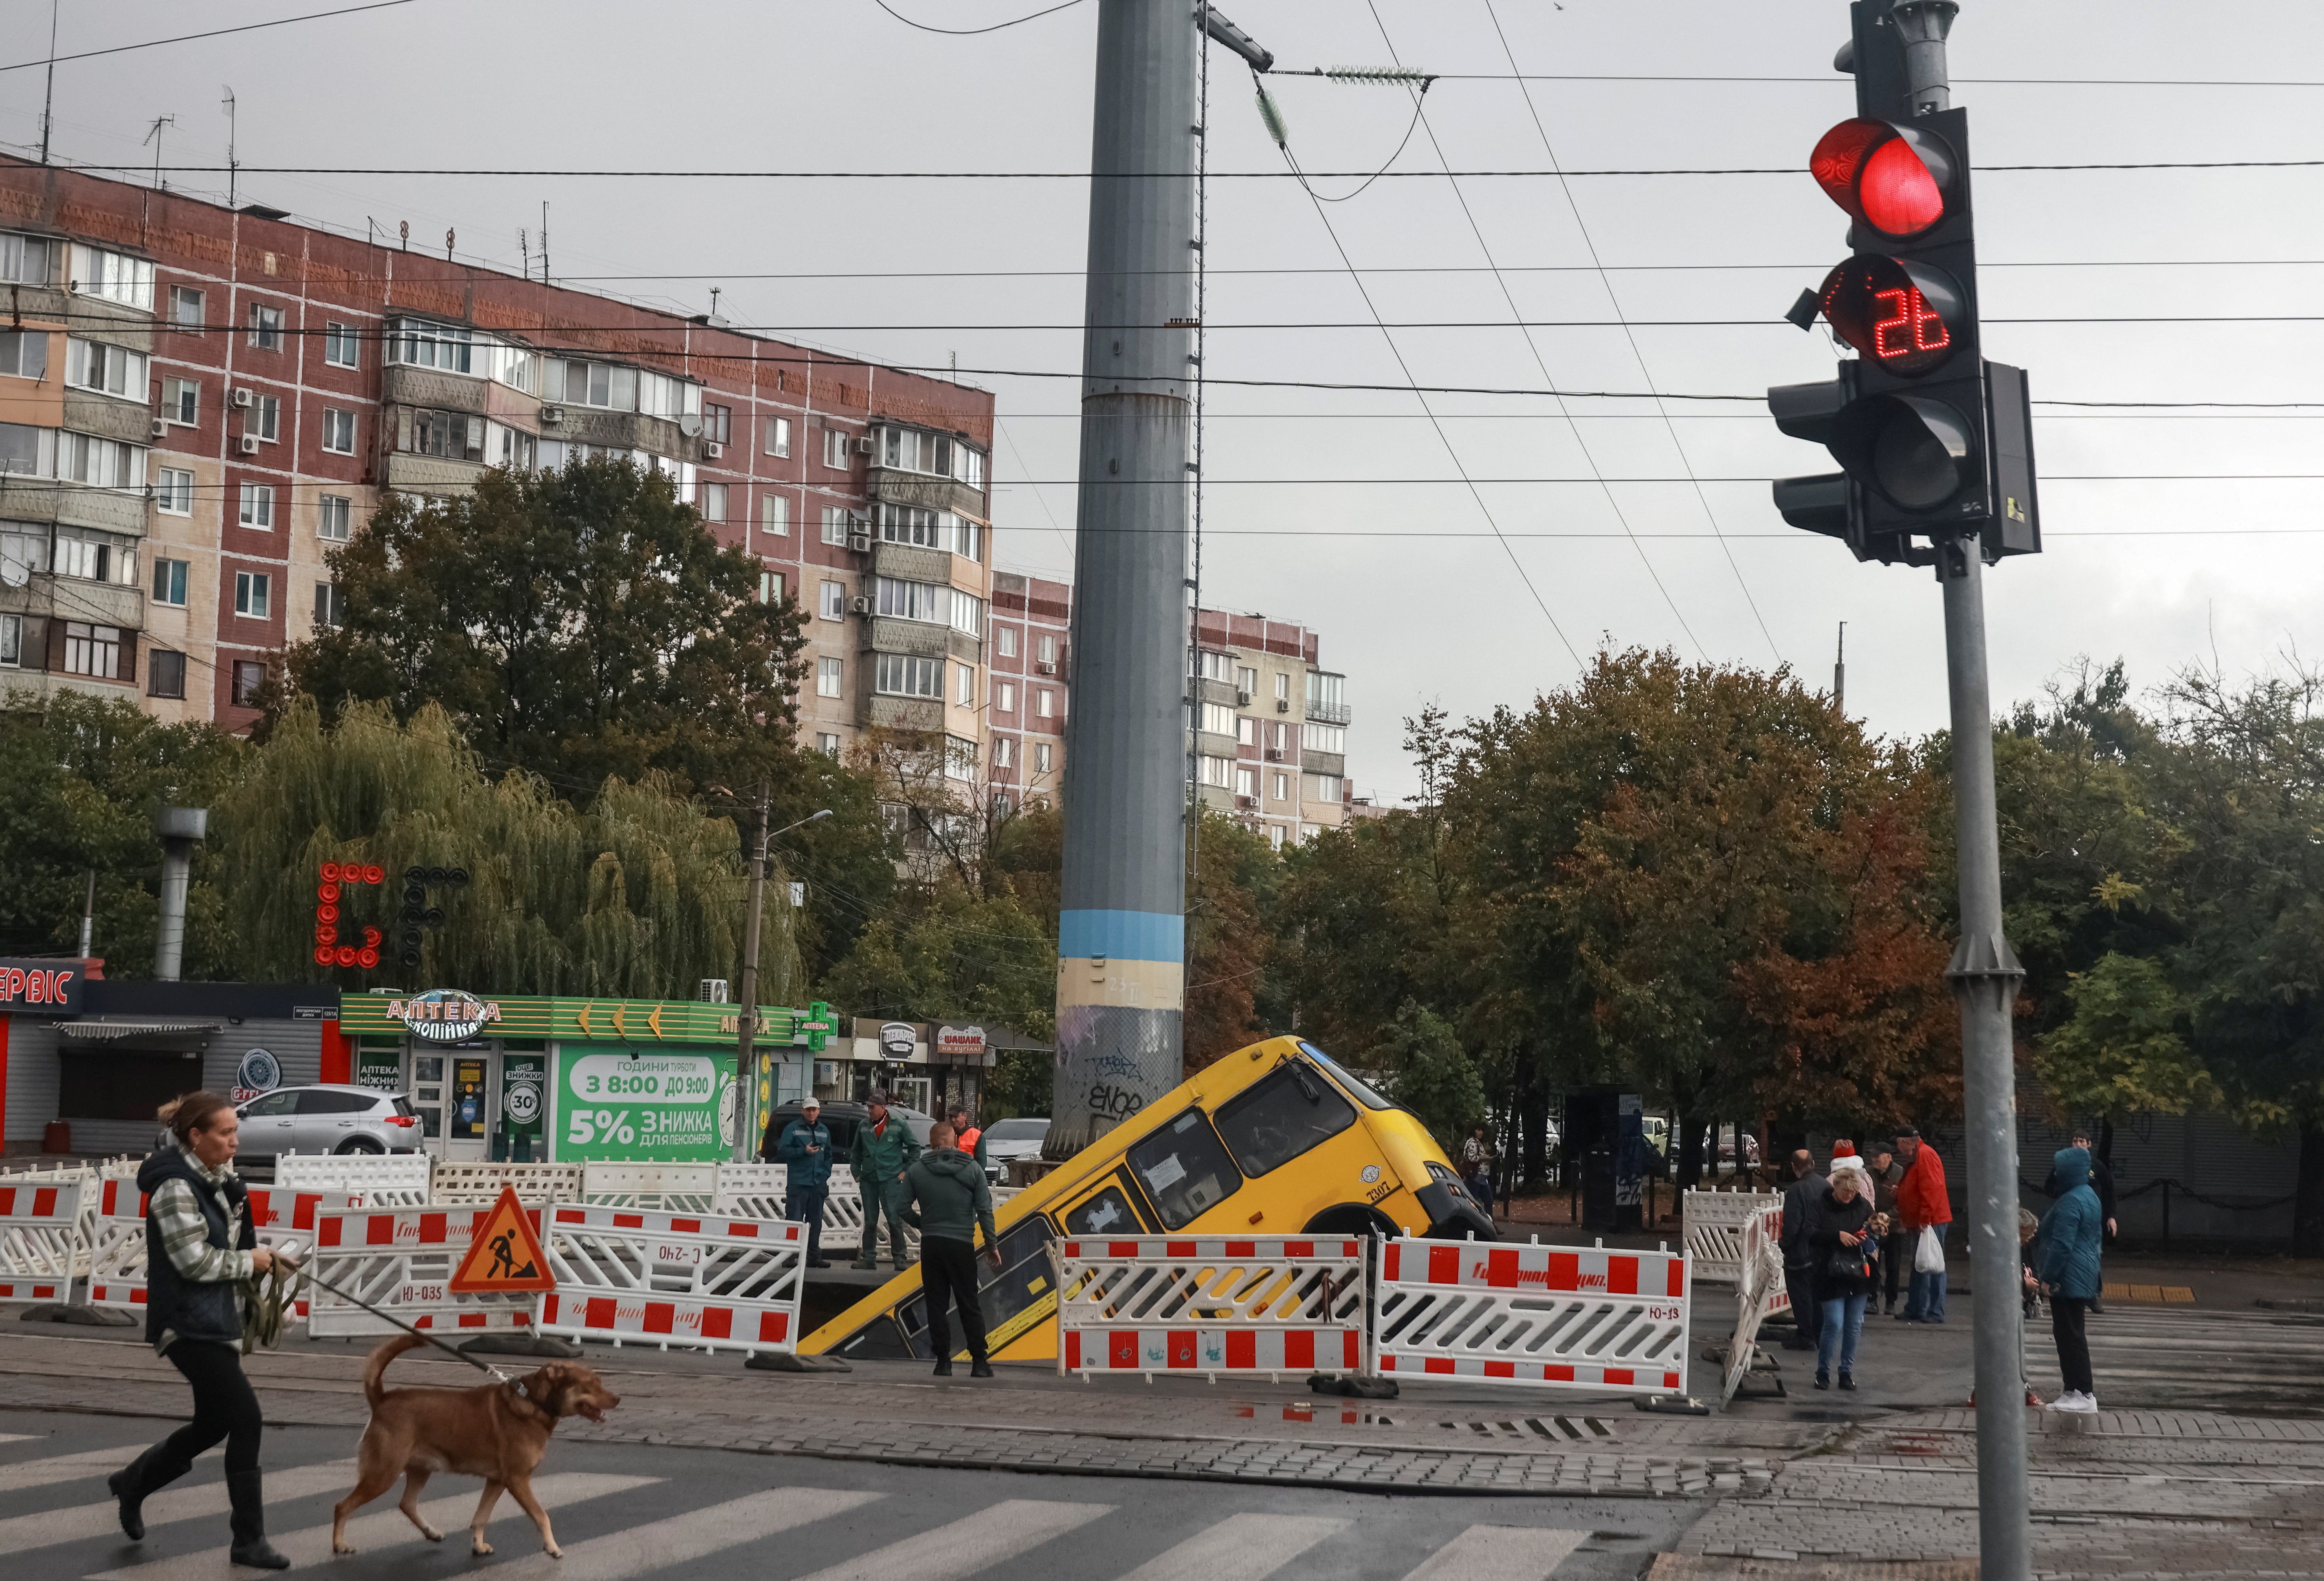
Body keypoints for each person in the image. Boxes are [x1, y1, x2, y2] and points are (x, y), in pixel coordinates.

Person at [107, 1091, 290, 1569]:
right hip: (186, 1321)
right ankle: (247, 1540)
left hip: (215, 1318)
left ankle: (134, 1481)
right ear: (196, 1136)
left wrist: (263, 1258)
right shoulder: (175, 1187)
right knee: (246, 1417)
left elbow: (227, 1244)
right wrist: (248, 1260)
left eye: (236, 1131)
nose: (235, 1141)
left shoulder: (218, 1178)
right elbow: (192, 1261)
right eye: (226, 1133)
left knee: (215, 1422)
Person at [899, 1121, 1002, 1378]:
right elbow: (985, 1211)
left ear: (932, 1144)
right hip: (961, 1245)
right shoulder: (974, 1170)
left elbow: (900, 1209)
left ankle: (943, 1362)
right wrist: (991, 1245)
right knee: (969, 1303)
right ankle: (979, 1362)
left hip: (932, 1245)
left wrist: (923, 1224)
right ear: (954, 1141)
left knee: (936, 1304)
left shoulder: (917, 1170)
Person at [2036, 1144, 2105, 1413]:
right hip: (2082, 1273)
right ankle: (2073, 1390)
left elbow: (2062, 1245)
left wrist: (2046, 1279)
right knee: (2071, 1332)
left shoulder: (2070, 1200)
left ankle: (2081, 1392)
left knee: (2069, 1335)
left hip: (2068, 1277)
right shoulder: (2088, 1195)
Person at [1803, 1168, 1877, 1390]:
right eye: (1845, 1191)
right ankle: (1823, 1371)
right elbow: (1809, 1234)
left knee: (1854, 1326)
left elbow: (1875, 1229)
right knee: (1834, 1324)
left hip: (1859, 1271)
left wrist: (1870, 1236)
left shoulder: (1862, 1205)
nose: (1849, 1196)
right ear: (1835, 1187)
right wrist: (1838, 1236)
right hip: (1830, 1272)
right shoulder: (1820, 1205)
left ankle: (1846, 1372)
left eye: (1853, 1192)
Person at [849, 1091, 921, 1271]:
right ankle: (869, 1259)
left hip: (891, 1178)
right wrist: (856, 1173)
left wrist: (906, 1171)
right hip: (869, 1179)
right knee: (871, 1220)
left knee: (894, 1218)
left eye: (873, 1107)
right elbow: (856, 1152)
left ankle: (900, 1259)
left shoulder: (898, 1124)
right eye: (869, 1107)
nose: (870, 1110)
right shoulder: (864, 1126)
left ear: (884, 1108)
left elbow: (914, 1147)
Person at [2051, 1134, 2118, 1313]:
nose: (2078, 1144)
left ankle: (2093, 1295)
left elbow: (2109, 1189)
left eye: (2082, 1141)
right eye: (2075, 1141)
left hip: (2091, 1217)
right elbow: (2050, 1186)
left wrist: (2111, 1216)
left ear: (2089, 1144)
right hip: (2070, 1213)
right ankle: (2063, 1287)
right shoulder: (2064, 1164)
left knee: (2091, 1253)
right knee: (2065, 1249)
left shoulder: (2096, 1166)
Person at [1894, 1127, 1952, 1323]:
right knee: (1921, 1264)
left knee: (1933, 1264)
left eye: (1898, 1143)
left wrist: (1925, 1218)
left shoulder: (1925, 1155)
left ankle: (1933, 1311)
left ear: (1905, 1142)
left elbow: (1932, 1188)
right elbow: (1924, 1187)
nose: (1898, 1148)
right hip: (1926, 1220)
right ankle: (1917, 1308)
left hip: (1930, 1221)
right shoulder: (1920, 1155)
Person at [773, 1098, 835, 1268]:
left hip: (817, 1183)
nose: (811, 1113)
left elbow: (828, 1155)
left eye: (815, 1110)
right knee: (794, 1220)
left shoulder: (824, 1131)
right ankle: (789, 1256)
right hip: (799, 1182)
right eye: (809, 1110)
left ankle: (813, 1257)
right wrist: (803, 1151)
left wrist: (825, 1175)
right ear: (803, 1111)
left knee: (815, 1222)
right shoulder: (793, 1129)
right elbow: (783, 1152)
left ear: (819, 1111)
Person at [1778, 1149, 1826, 1350]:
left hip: (1801, 1253)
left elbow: (1792, 1225)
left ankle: (1806, 1334)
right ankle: (1818, 1333)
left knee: (1801, 1296)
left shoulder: (1796, 1190)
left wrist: (1784, 1244)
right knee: (1817, 1296)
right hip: (1821, 1251)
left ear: (1793, 1167)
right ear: (1814, 1163)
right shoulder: (1825, 1185)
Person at [1871, 1147, 1908, 1316]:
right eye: (1872, 1156)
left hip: (1895, 1228)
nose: (1874, 1159)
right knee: (1872, 1264)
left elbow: (1904, 1201)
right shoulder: (1868, 1173)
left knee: (1893, 1266)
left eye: (1878, 1156)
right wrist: (1873, 1218)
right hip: (1874, 1227)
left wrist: (1885, 1217)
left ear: (1888, 1157)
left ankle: (1891, 1302)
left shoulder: (1900, 1173)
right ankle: (1872, 1299)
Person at [1460, 1126, 1497, 1219]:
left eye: (1482, 1130)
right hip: (1475, 1176)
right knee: (1475, 1202)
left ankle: (1490, 1223)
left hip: (1481, 1177)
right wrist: (1485, 1158)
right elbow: (1472, 1158)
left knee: (1487, 1201)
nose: (1481, 1133)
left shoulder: (1477, 1142)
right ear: (1473, 1131)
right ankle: (1478, 1223)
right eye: (1478, 1130)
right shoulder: (1473, 1142)